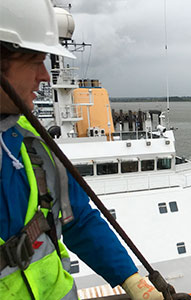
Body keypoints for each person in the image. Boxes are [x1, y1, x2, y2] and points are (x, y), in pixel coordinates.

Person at [1, 1, 179, 299]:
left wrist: (132, 280)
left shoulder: (31, 143)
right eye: (34, 62)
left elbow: (77, 218)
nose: (44, 77)